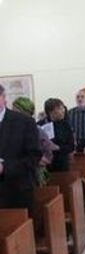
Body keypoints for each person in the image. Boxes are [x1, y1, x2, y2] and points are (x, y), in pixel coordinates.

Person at [0, 86, 41, 215]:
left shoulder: (24, 122)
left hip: (16, 191)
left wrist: (4, 167)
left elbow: (34, 157)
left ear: (3, 98)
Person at [12, 97, 57, 185]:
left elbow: (48, 155)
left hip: (33, 174)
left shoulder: (37, 130)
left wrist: (38, 159)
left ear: (25, 113)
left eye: (15, 111)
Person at [43, 98, 75, 172]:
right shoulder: (41, 124)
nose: (63, 110)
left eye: (63, 107)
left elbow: (71, 146)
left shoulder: (66, 125)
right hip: (45, 164)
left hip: (61, 163)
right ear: (51, 112)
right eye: (60, 108)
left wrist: (58, 147)